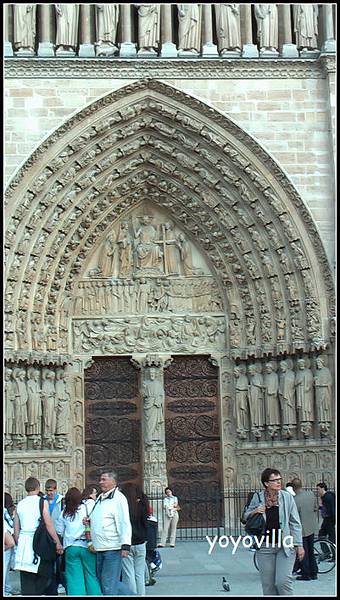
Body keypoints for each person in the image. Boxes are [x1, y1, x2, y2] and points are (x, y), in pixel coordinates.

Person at [244, 468, 304, 596]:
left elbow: (295, 522)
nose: (278, 482)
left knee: (283, 582)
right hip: (265, 546)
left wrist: (299, 545)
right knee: (268, 585)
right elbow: (245, 516)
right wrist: (255, 511)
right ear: (266, 483)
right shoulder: (258, 497)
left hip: (285, 545)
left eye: (279, 479)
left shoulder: (287, 497)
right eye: (275, 480)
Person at [13, 477, 63, 596]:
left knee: (26, 580)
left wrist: (18, 543)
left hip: (24, 543)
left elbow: (16, 529)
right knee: (44, 575)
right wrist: (57, 542)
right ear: (38, 487)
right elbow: (48, 523)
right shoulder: (42, 502)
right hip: (39, 542)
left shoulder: (20, 504)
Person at [87, 471, 133, 595]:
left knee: (108, 583)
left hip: (112, 547)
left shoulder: (118, 499)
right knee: (105, 581)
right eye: (100, 479)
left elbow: (124, 522)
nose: (100, 482)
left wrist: (125, 545)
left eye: (104, 479)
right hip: (100, 547)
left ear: (113, 482)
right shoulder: (101, 498)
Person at [56, 487, 102, 596]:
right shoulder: (87, 507)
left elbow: (59, 531)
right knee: (91, 575)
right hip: (87, 546)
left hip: (71, 547)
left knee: (74, 578)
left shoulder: (64, 513)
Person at [120, 482, 150, 595]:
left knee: (129, 573)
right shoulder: (141, 506)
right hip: (141, 542)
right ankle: (141, 594)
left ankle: (132, 594)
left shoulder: (123, 507)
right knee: (139, 573)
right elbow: (146, 523)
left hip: (127, 543)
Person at [291, 478, 318, 581]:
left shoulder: (294, 500)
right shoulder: (311, 494)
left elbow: (293, 516)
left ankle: (306, 574)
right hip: (311, 527)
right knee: (311, 551)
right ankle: (314, 572)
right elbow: (316, 508)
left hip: (301, 530)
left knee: (303, 552)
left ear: (293, 488)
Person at [43, 479, 65, 595]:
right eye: (47, 491)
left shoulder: (62, 501)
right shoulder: (42, 501)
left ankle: (60, 582)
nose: (49, 493)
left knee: (59, 562)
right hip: (46, 536)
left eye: (51, 490)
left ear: (56, 489)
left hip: (59, 535)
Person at [4, 492, 20, 596]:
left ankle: (7, 588)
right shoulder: (5, 511)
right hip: (7, 539)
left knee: (6, 567)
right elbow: (10, 524)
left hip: (7, 539)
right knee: (5, 567)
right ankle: (6, 589)